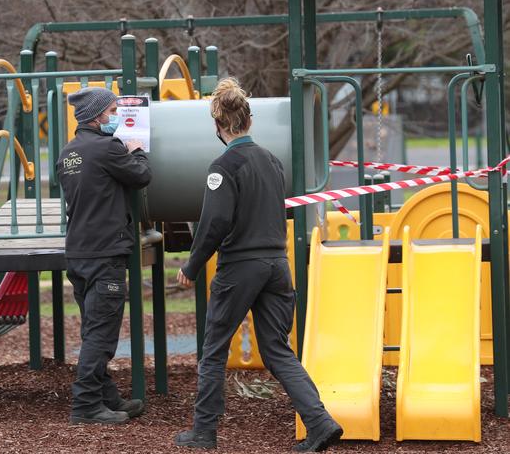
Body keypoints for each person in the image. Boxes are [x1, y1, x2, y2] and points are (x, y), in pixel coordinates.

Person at [174, 78, 342, 452]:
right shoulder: (272, 161)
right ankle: (319, 422)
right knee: (277, 349)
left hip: (240, 268)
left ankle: (203, 431)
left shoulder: (223, 166)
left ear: (218, 127)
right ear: (249, 121)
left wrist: (193, 264)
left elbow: (214, 223)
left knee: (214, 348)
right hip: (276, 265)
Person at [56, 87, 151, 425]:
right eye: (111, 113)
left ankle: (107, 397)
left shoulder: (67, 154)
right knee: (101, 334)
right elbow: (141, 176)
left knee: (93, 329)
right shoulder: (107, 148)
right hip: (105, 253)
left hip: (78, 252)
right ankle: (85, 407)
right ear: (96, 116)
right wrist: (137, 151)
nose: (114, 119)